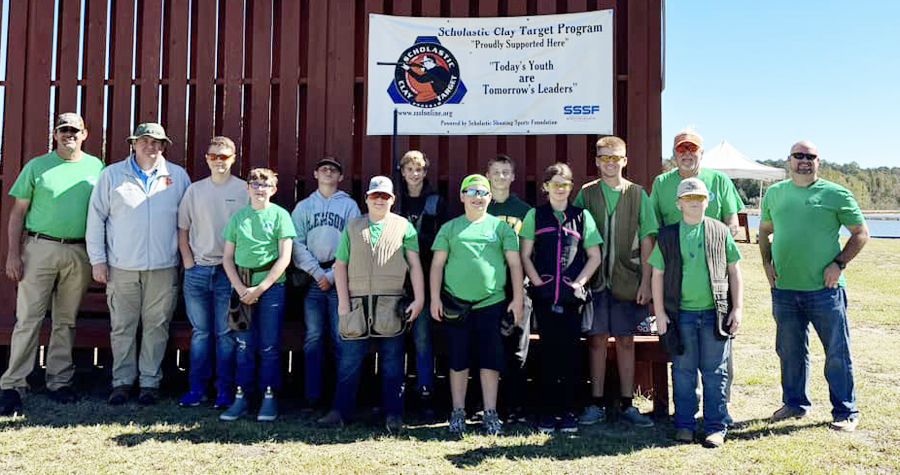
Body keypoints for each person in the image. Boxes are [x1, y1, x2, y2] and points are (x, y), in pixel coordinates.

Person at [759, 141, 869, 432]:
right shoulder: (774, 193)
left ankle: (846, 411)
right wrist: (767, 263)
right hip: (785, 291)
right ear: (789, 160)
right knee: (790, 350)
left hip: (826, 291)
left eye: (811, 157)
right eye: (799, 156)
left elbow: (860, 233)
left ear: (818, 162)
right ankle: (795, 404)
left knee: (837, 352)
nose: (804, 161)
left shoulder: (836, 194)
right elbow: (765, 231)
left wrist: (839, 264)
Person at [0, 113, 103, 416]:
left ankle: (59, 381)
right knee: (28, 319)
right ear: (55, 134)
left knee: (66, 320)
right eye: (63, 130)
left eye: (74, 130)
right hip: (39, 248)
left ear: (85, 133)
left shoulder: (96, 167)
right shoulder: (37, 166)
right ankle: (13, 385)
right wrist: (12, 254)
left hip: (78, 251)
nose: (69, 134)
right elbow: (18, 213)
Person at [86, 122, 190, 406]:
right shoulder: (112, 175)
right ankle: (121, 383)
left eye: (156, 142)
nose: (150, 146)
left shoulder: (178, 177)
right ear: (133, 144)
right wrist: (98, 261)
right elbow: (96, 220)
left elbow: (188, 221)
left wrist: (185, 258)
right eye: (144, 140)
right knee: (122, 327)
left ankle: (149, 383)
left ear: (164, 146)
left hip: (163, 266)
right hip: (121, 267)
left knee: (157, 326)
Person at [318, 176, 425, 431]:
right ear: (366, 198)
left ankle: (393, 415)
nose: (379, 200)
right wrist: (343, 302)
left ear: (392, 200)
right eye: (375, 195)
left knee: (392, 362)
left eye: (385, 196)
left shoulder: (404, 227)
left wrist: (419, 299)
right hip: (356, 303)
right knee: (349, 361)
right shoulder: (352, 227)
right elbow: (340, 265)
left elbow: (415, 265)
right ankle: (340, 412)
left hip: (391, 303)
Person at [649, 128, 745, 402]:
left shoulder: (719, 180)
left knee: (720, 338)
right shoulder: (661, 183)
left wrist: (720, 245)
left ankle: (720, 406)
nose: (687, 154)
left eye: (693, 149)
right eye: (681, 149)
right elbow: (654, 227)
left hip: (716, 274)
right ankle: (687, 409)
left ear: (702, 153)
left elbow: (733, 222)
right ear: (674, 154)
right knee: (682, 345)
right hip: (676, 272)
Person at [649, 178, 743, 448]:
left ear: (708, 202)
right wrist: (660, 313)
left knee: (716, 372)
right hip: (681, 317)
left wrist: (737, 308)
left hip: (715, 314)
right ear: (679, 204)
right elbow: (657, 275)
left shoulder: (719, 231)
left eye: (700, 198)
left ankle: (715, 426)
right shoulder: (667, 235)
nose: (694, 203)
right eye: (688, 199)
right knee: (683, 371)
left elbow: (734, 271)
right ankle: (685, 425)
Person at [573, 136, 658, 428]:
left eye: (615, 157)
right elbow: (575, 235)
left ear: (625, 160)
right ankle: (595, 403)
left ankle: (626, 404)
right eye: (604, 157)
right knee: (595, 341)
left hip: (628, 279)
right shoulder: (586, 194)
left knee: (625, 340)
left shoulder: (638, 194)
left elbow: (648, 239)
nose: (610, 163)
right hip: (595, 282)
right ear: (596, 161)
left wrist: (646, 282)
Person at [430, 174, 525, 436]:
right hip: (455, 305)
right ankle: (458, 412)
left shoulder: (501, 229)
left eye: (483, 192)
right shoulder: (449, 228)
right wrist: (435, 298)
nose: (477, 197)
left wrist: (517, 300)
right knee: (458, 360)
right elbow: (437, 265)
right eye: (471, 192)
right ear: (461, 197)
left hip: (492, 304)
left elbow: (516, 265)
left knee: (490, 360)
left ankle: (491, 413)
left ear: (490, 198)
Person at [519, 163, 602, 433]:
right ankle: (547, 412)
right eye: (555, 184)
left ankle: (568, 412)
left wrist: (579, 282)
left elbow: (594, 256)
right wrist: (536, 280)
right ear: (545, 187)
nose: (560, 189)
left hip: (571, 300)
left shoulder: (583, 216)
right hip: (543, 298)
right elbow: (524, 255)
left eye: (565, 184)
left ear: (571, 188)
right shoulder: (535, 215)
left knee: (571, 355)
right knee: (546, 355)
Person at [176, 137, 248, 409]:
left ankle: (224, 392)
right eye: (214, 156)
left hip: (227, 273)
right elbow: (183, 228)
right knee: (201, 333)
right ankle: (197, 390)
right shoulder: (195, 191)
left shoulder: (243, 191)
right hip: (197, 271)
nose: (219, 161)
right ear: (206, 159)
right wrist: (188, 262)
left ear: (233, 158)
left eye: (224, 156)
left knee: (224, 333)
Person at [219, 168, 296, 422]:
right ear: (248, 188)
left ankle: (269, 397)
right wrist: (241, 289)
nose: (260, 188)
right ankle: (241, 397)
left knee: (270, 346)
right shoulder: (238, 218)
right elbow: (227, 258)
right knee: (244, 345)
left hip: (271, 289)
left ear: (273, 190)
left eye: (266, 185)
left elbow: (284, 258)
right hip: (241, 287)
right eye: (255, 184)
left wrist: (260, 289)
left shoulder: (281, 216)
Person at [291, 157, 360, 412]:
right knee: (313, 338)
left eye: (334, 169)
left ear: (340, 177)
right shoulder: (304, 207)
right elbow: (295, 242)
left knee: (341, 339)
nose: (328, 172)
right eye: (323, 169)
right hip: (311, 279)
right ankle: (313, 397)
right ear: (315, 174)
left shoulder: (349, 206)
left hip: (340, 278)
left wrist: (331, 275)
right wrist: (316, 272)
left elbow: (354, 242)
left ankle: (340, 399)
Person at [395, 150, 446, 419]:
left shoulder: (437, 203)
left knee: (423, 339)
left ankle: (425, 390)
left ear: (426, 172)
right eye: (410, 169)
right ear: (402, 172)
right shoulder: (393, 202)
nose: (415, 174)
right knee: (393, 339)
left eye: (420, 169)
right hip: (395, 279)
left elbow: (443, 244)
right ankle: (395, 392)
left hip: (425, 279)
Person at [485, 154, 532, 423]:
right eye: (496, 172)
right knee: (489, 347)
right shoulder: (480, 207)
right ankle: (489, 406)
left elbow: (528, 253)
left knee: (516, 349)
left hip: (517, 288)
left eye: (506, 172)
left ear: (513, 177)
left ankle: (516, 407)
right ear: (488, 176)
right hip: (487, 288)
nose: (501, 177)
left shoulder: (524, 211)